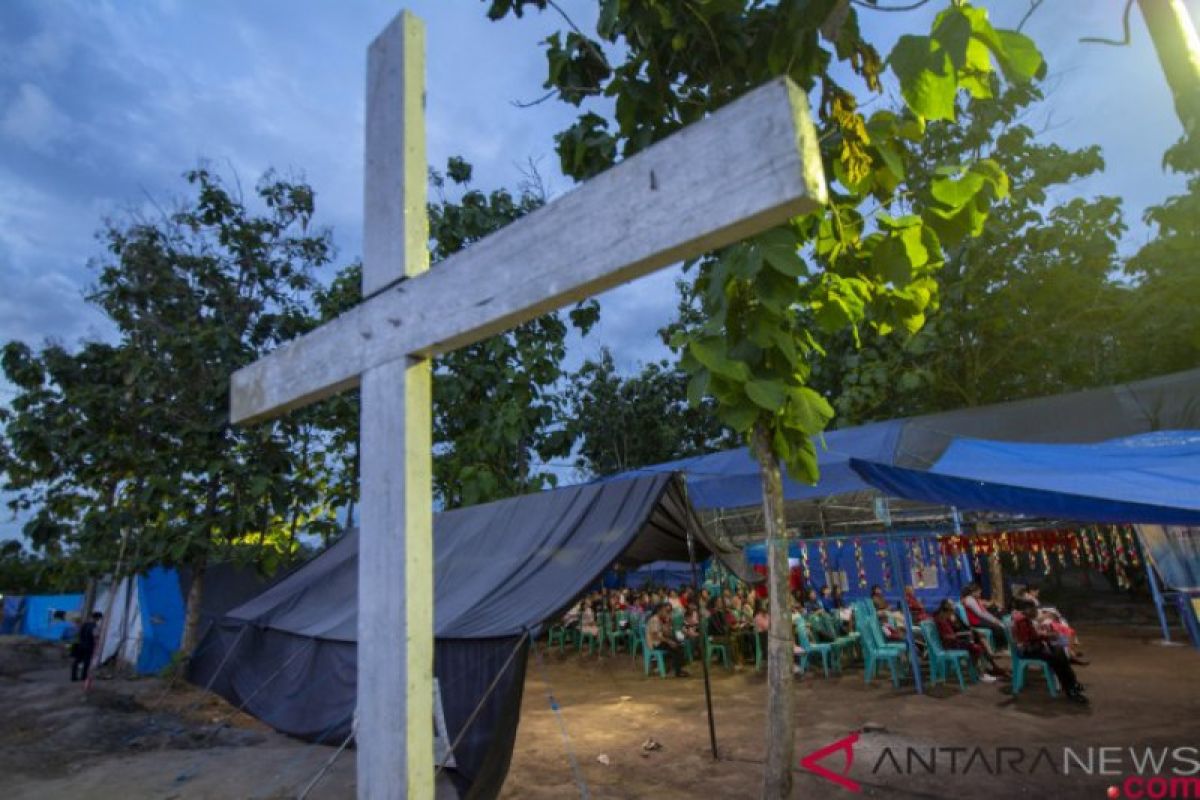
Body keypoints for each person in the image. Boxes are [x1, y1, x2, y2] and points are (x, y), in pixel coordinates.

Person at [1012, 598, 1087, 703]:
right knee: (1057, 659)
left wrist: (1044, 635)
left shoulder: (1025, 618)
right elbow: (1028, 640)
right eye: (1033, 609)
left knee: (1059, 652)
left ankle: (1073, 684)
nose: (1035, 612)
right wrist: (1046, 635)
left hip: (1035, 645)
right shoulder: (1022, 620)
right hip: (1028, 649)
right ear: (1027, 609)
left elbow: (1034, 636)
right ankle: (1071, 688)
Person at [934, 600, 1001, 682]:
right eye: (951, 610)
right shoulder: (941, 620)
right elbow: (946, 636)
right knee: (977, 647)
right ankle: (981, 674)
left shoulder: (944, 618)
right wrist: (960, 635)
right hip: (951, 645)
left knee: (978, 644)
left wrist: (962, 634)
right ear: (947, 610)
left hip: (955, 641)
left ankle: (983, 670)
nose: (952, 613)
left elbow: (954, 631)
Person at [647, 603, 688, 677]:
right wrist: (669, 642)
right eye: (665, 611)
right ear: (659, 611)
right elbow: (656, 636)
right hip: (655, 643)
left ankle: (677, 669)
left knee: (679, 643)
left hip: (662, 641)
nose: (667, 613)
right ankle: (677, 671)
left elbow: (668, 633)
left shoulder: (662, 620)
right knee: (676, 647)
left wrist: (669, 623)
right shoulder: (654, 619)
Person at [961, 583, 1007, 647]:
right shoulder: (969, 600)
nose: (980, 594)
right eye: (979, 593)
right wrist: (994, 621)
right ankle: (1001, 647)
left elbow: (984, 612)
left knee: (998, 623)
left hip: (979, 619)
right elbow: (980, 614)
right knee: (997, 627)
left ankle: (1002, 645)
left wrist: (994, 619)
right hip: (975, 622)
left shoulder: (973, 599)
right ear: (973, 592)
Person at [71, 611, 102, 682]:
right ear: (97, 618)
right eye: (99, 619)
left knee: (77, 661)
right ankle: (83, 677)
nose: (99, 620)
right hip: (89, 646)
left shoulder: (84, 624)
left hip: (81, 644)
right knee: (86, 662)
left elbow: (79, 633)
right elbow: (96, 637)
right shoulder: (95, 626)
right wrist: (97, 646)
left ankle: (73, 677)